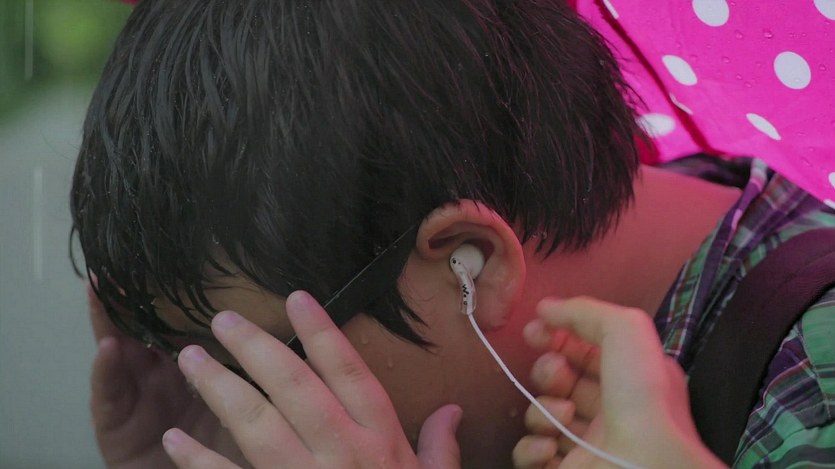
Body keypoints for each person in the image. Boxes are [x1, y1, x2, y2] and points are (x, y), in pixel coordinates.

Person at [70, 0, 835, 467]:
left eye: (267, 365)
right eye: (209, 368)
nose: (256, 421)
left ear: (472, 262)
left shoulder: (814, 385)